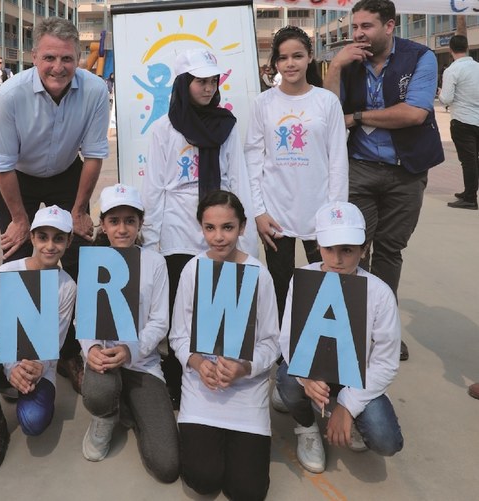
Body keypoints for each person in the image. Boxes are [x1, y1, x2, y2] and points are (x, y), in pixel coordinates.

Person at [0, 17, 110, 393]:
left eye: (67, 59)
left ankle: (73, 352)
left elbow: (93, 156)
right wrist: (21, 219)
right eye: (49, 58)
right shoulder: (10, 95)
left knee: (77, 260)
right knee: (21, 259)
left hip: (66, 173)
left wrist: (78, 211)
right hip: (18, 178)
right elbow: (2, 165)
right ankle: (18, 359)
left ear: (78, 58)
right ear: (34, 56)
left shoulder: (93, 90)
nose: (58, 67)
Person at [323, 0, 444, 362]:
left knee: (390, 251)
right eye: (354, 27)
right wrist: (336, 67)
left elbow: (413, 113)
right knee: (353, 249)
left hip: (405, 171)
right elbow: (330, 114)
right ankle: (349, 328)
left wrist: (357, 116)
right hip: (359, 168)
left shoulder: (420, 58)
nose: (358, 34)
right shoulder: (349, 62)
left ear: (389, 26)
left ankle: (383, 331)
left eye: (366, 27)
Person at [141, 48, 258, 408]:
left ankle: (216, 376)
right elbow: (155, 189)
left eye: (212, 81)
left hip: (219, 229)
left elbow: (237, 178)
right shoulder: (164, 129)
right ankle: (178, 378)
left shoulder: (226, 125)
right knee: (182, 310)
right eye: (200, 81)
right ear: (183, 83)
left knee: (216, 308)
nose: (208, 88)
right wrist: (152, 243)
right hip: (177, 231)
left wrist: (243, 236)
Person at [276, 201, 403, 474]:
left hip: (357, 376)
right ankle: (307, 425)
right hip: (313, 368)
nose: (337, 259)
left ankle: (349, 413)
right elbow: (287, 337)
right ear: (318, 246)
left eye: (347, 249)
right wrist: (305, 377)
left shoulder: (379, 293)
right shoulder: (303, 279)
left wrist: (348, 406)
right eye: (329, 249)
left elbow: (386, 361)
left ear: (364, 248)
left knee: (386, 441)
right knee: (286, 379)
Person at [170, 190, 279, 500]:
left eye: (228, 227)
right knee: (203, 480)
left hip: (247, 392)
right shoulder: (192, 270)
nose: (218, 237)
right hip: (201, 390)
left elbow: (272, 342)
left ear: (243, 227)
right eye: (210, 228)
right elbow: (178, 335)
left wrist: (244, 367)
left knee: (247, 491)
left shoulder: (259, 274)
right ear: (201, 228)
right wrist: (198, 363)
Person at [245, 25, 348, 324]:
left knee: (325, 287)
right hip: (275, 215)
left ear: (309, 58)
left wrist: (334, 215)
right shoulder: (262, 104)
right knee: (280, 286)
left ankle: (319, 349)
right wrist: (258, 212)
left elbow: (338, 161)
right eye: (283, 57)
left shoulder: (326, 102)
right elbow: (253, 159)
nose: (290, 64)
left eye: (297, 56)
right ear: (275, 62)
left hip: (320, 214)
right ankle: (282, 351)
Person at [80, 184, 179, 483]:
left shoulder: (155, 263)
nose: (122, 229)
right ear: (103, 226)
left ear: (139, 224)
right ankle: (106, 415)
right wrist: (92, 349)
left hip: (142, 362)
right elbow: (84, 321)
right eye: (114, 221)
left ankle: (131, 407)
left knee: (168, 466)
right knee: (99, 393)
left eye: (130, 221)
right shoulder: (93, 262)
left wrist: (130, 350)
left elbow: (160, 322)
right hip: (104, 360)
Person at [0, 206, 77, 472]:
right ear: (32, 238)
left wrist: (40, 367)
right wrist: (11, 368)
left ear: (68, 241)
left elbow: (57, 340)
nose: (50, 246)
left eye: (58, 238)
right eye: (43, 237)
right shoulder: (5, 273)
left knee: (33, 422)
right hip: (6, 361)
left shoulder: (67, 286)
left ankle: (18, 391)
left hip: (39, 367)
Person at [437, 34, 479, 210]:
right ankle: (468, 191)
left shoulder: (452, 70)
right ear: (467, 47)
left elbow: (446, 99)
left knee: (468, 160)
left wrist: (439, 92)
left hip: (462, 120)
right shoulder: (477, 67)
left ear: (450, 50)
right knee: (475, 159)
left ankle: (470, 198)